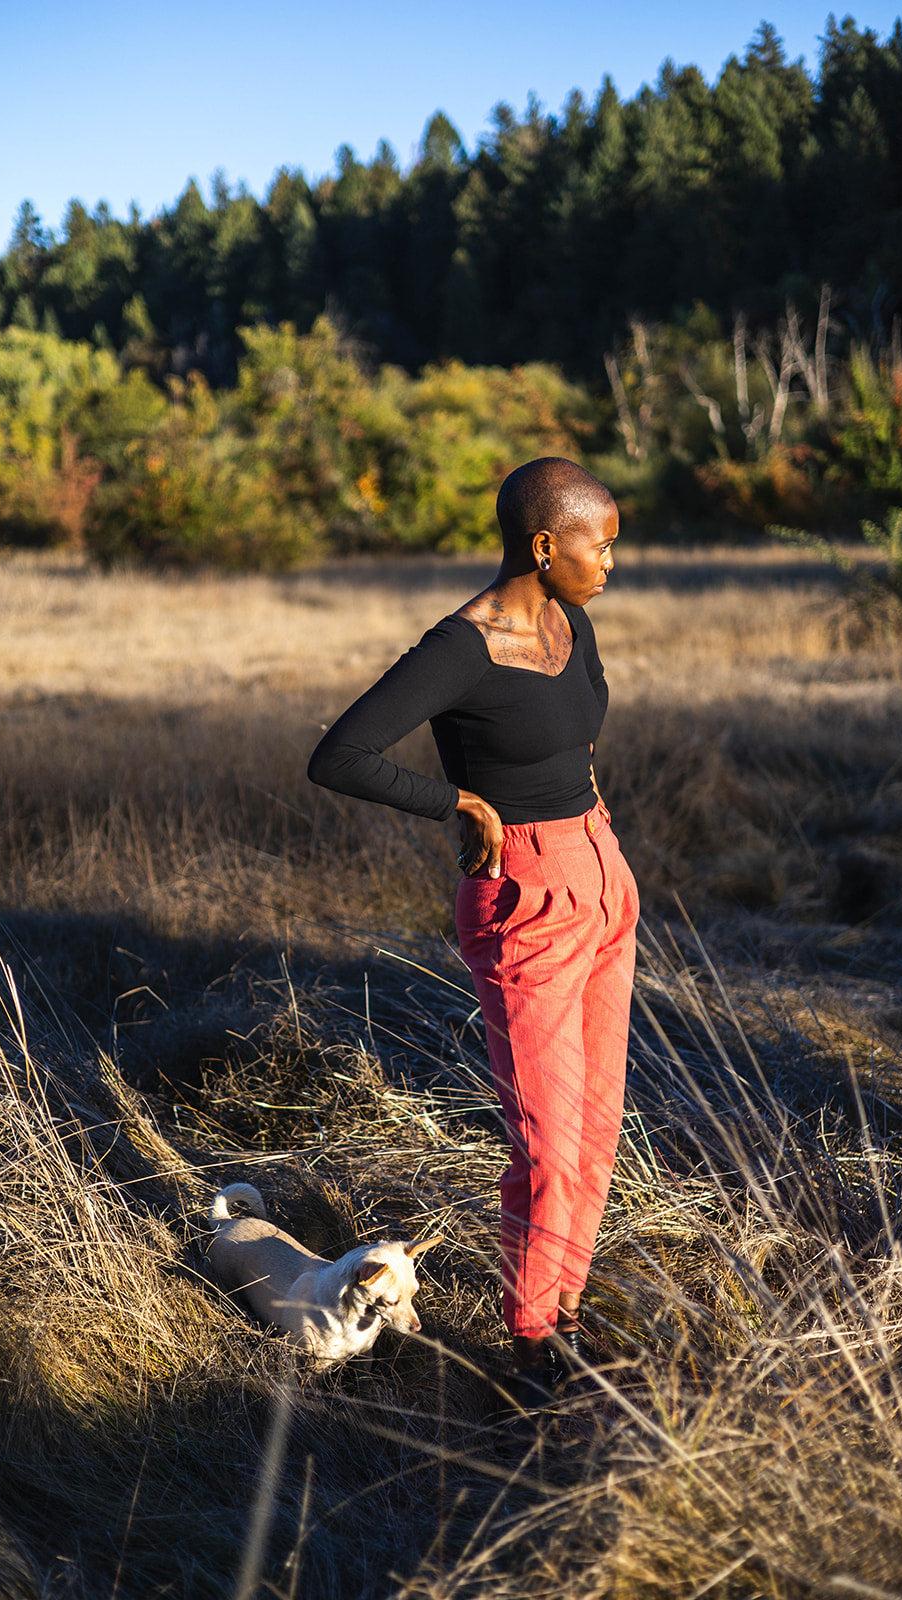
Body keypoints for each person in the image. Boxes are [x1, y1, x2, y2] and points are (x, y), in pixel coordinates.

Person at [306, 456, 639, 1415]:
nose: (610, 563)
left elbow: (575, 731)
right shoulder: (460, 646)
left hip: (601, 874)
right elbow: (340, 755)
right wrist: (453, 800)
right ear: (544, 545)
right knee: (544, 1142)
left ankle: (566, 1315)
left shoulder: (572, 621)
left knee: (596, 1130)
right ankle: (533, 1350)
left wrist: (590, 828)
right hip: (525, 897)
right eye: (599, 545)